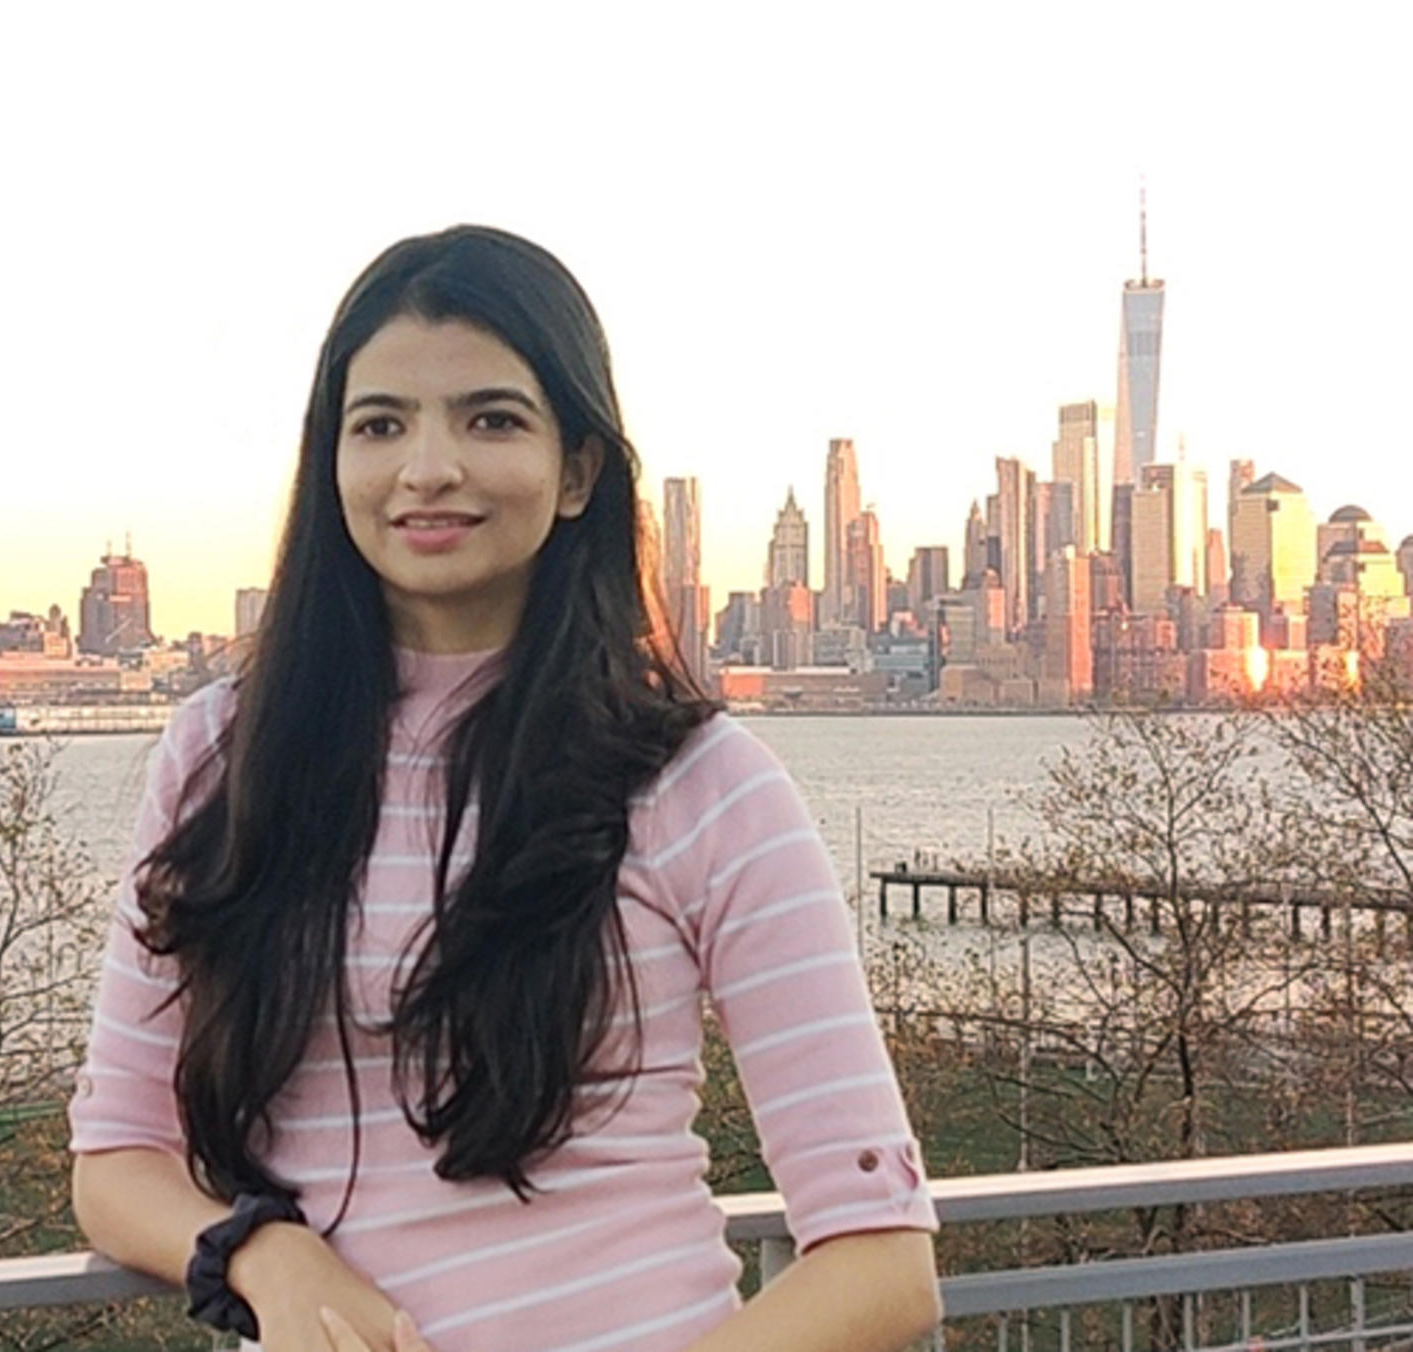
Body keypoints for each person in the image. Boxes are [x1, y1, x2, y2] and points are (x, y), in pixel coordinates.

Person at [67, 226, 942, 1352]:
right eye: (380, 423)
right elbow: (115, 1157)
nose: (428, 467)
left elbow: (883, 1256)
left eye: (491, 419)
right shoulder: (221, 757)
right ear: (330, 463)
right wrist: (257, 1245)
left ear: (578, 470)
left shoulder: (701, 782)